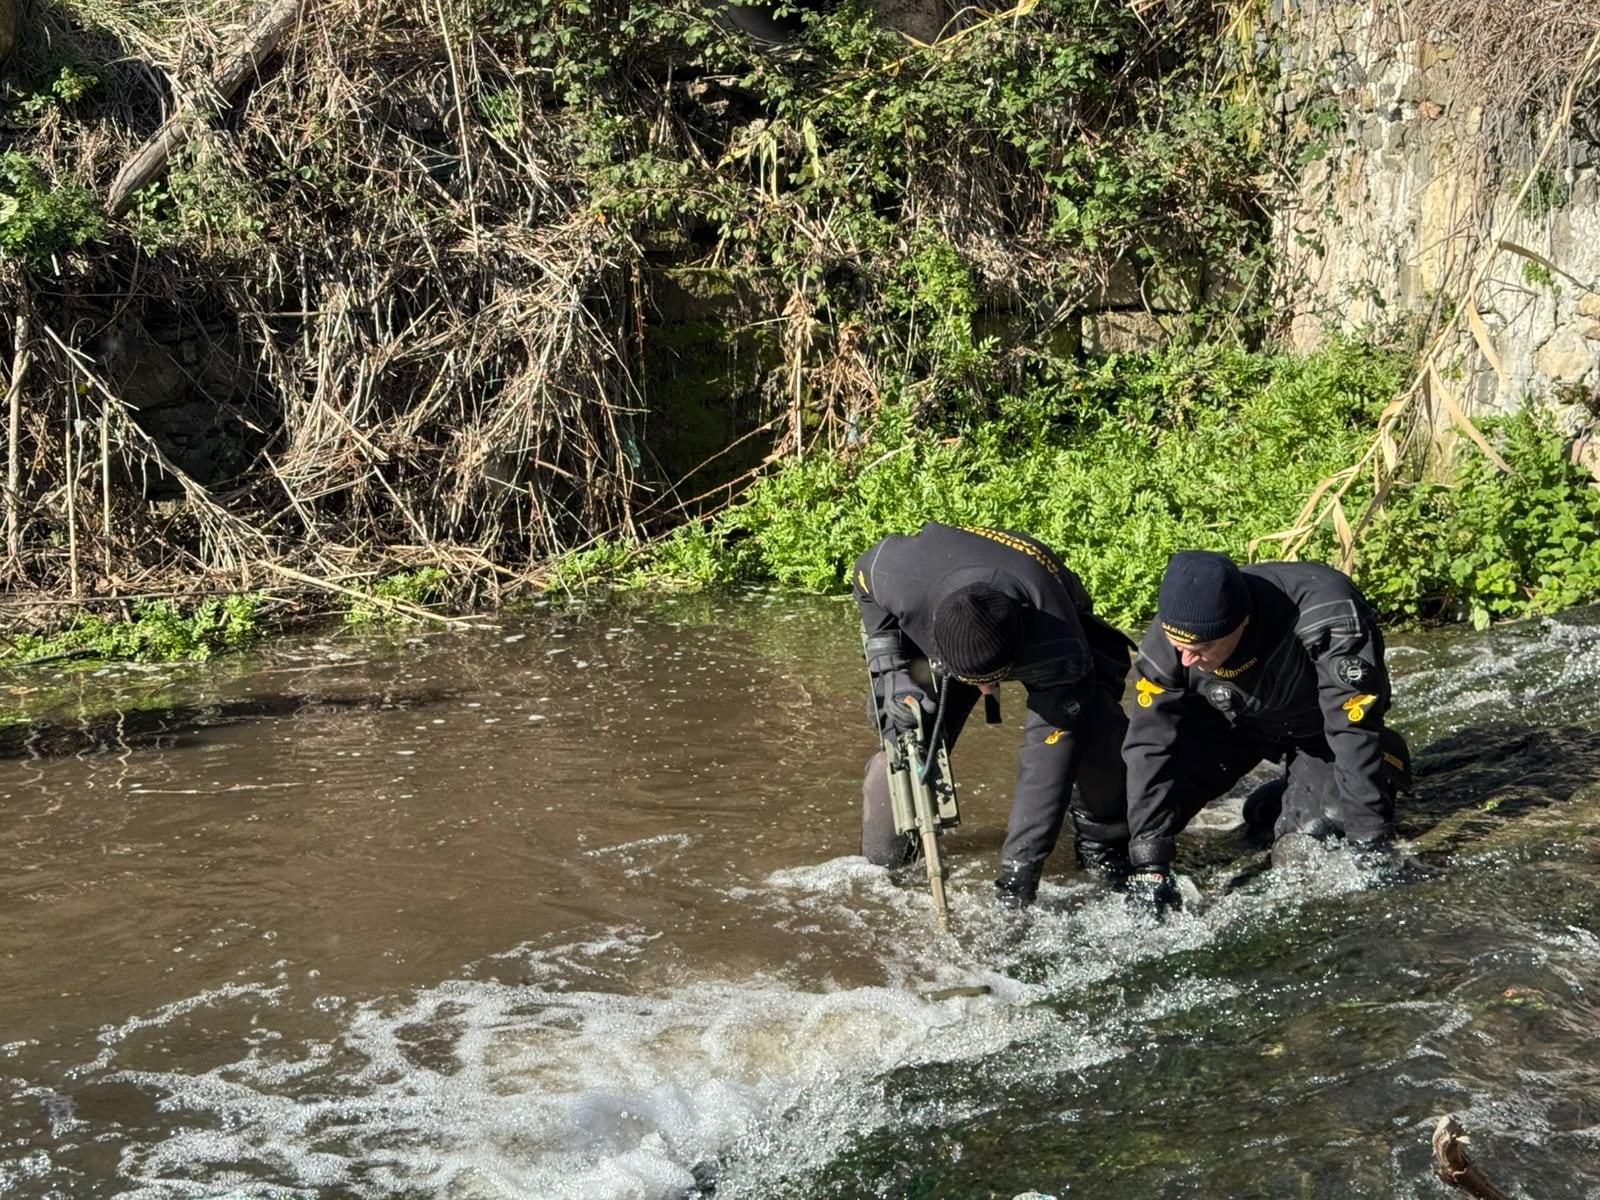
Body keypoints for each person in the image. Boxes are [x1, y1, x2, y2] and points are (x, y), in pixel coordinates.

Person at [853, 522, 1135, 908]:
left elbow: (1044, 763)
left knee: (1093, 734)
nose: (986, 692)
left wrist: (1019, 873)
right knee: (905, 739)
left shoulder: (1058, 643)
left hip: (1044, 625)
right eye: (974, 682)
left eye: (992, 682)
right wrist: (892, 671)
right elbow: (865, 586)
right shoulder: (896, 572)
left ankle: (1104, 846)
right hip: (940, 610)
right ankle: (884, 872)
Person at [1121, 550, 1412, 911]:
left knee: (1306, 848)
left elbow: (1351, 729)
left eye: (1202, 648)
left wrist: (1371, 842)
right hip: (1230, 725)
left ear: (1242, 623)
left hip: (1319, 735)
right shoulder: (1173, 637)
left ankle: (1381, 765)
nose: (1186, 661)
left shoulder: (1328, 611)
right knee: (1121, 817)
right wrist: (1150, 864)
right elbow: (1149, 744)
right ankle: (1282, 792)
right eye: (1180, 647)